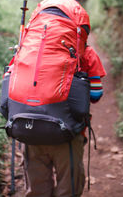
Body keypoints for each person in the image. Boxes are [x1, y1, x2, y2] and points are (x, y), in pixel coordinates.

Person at [22, 21, 106, 197]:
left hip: (29, 130)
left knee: (37, 190)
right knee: (68, 189)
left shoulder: (28, 50)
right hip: (68, 133)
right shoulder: (86, 53)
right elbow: (96, 95)